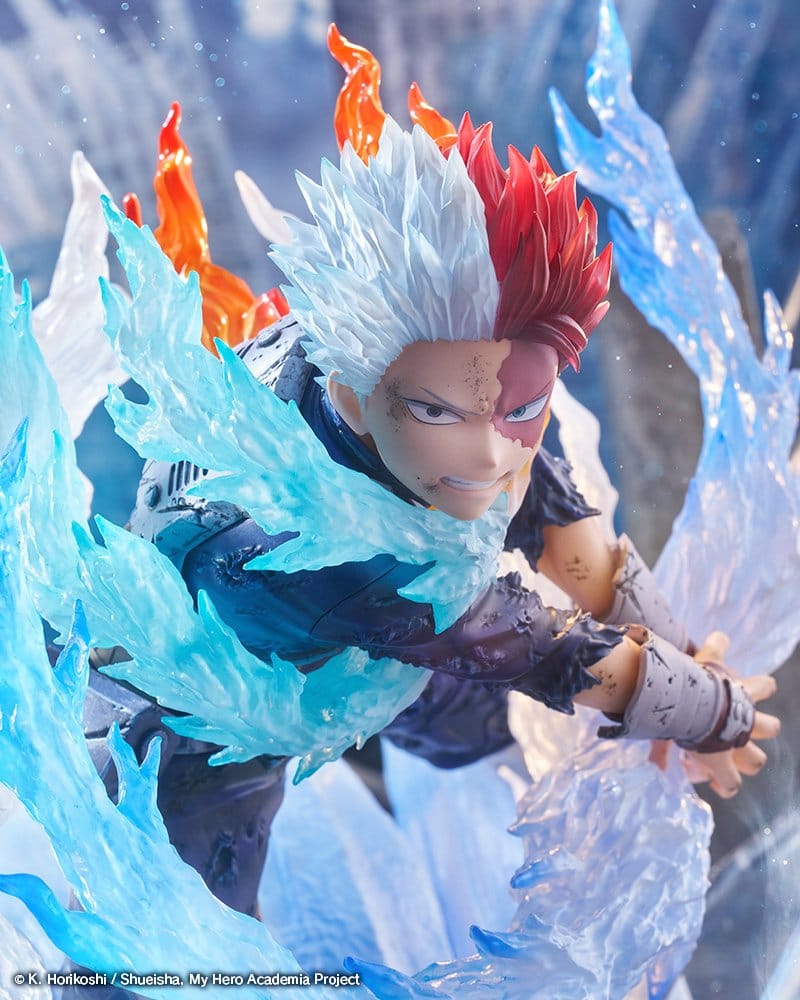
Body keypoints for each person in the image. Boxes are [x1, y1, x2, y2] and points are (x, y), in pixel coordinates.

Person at [77, 26, 778, 961]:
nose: (489, 453)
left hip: (375, 655)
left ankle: (461, 762)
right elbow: (548, 649)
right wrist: (717, 713)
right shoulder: (351, 553)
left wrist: (681, 650)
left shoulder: (431, 362)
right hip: (192, 736)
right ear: (356, 386)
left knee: (467, 717)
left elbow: (548, 513)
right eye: (438, 412)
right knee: (179, 953)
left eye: (522, 405)